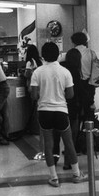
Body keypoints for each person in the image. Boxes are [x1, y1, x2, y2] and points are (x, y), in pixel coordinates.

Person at [30, 42, 87, 187]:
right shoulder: (65, 72)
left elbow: (34, 95)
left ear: (43, 55)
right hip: (61, 111)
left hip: (44, 112)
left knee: (48, 145)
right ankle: (76, 174)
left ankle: (54, 177)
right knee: (68, 143)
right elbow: (70, 94)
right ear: (58, 55)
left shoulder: (37, 72)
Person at [52, 48, 83, 169]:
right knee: (70, 138)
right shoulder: (75, 72)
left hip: (56, 106)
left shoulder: (59, 69)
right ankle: (67, 162)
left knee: (55, 136)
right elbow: (75, 92)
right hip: (71, 108)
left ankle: (54, 159)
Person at [71, 31, 95, 122]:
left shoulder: (70, 53)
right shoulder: (91, 53)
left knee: (75, 110)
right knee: (88, 109)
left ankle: (76, 134)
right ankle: (89, 132)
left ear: (74, 42)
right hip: (88, 84)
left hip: (74, 84)